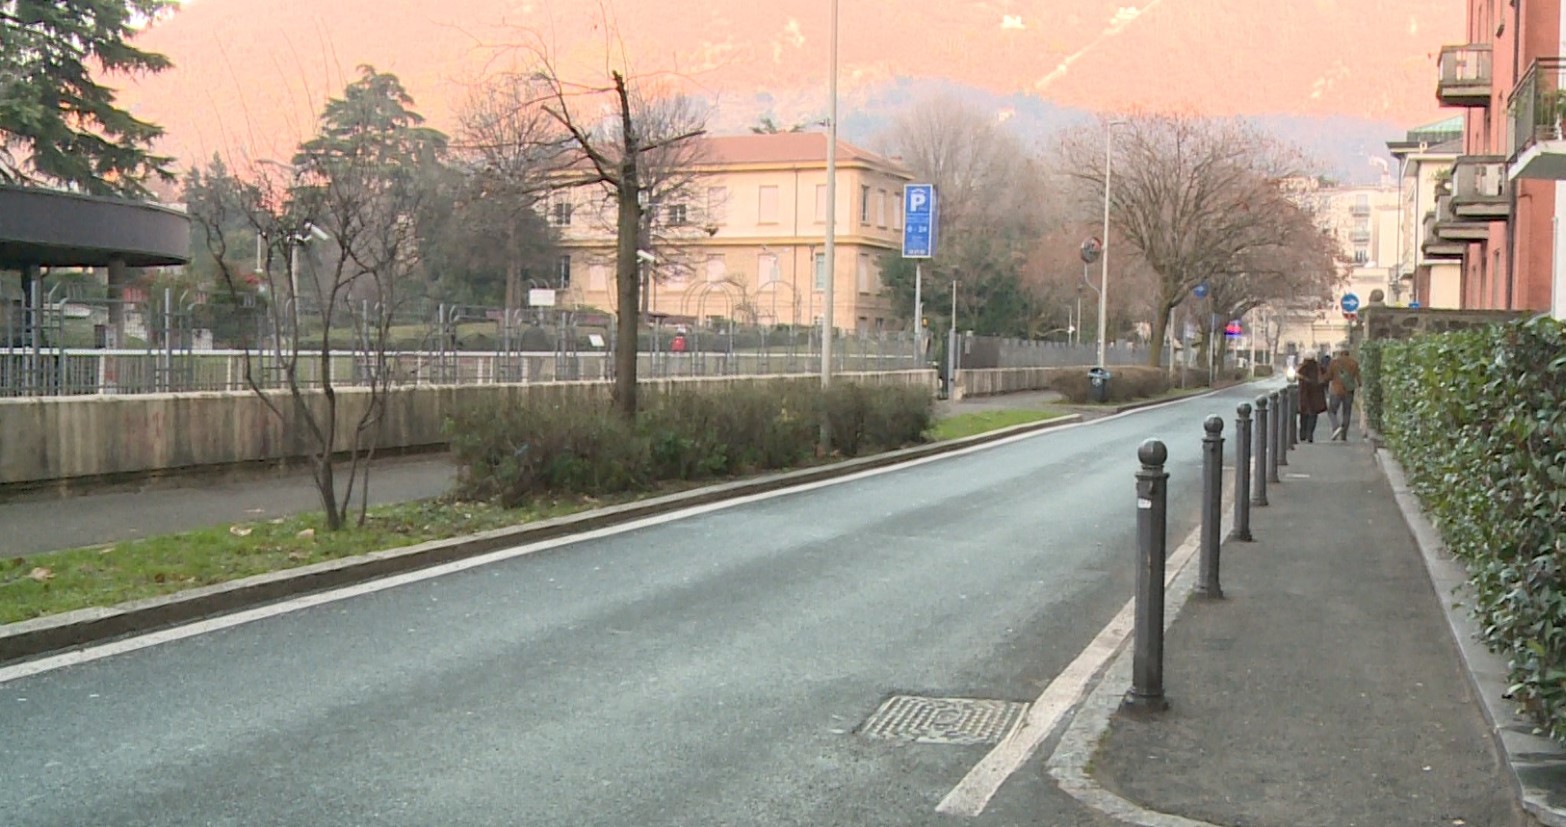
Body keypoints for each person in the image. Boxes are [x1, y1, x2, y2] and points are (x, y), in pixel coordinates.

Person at [1324, 348, 1362, 441]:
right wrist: (1359, 386)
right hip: (1349, 390)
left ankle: (1336, 427)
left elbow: (1328, 376)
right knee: (1347, 411)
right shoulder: (1354, 363)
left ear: (1340, 354)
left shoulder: (1334, 363)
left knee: (1332, 411)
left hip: (1336, 390)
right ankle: (1344, 435)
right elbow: (1359, 379)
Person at [1296, 356, 1328, 442]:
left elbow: (1297, 376)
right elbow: (1325, 379)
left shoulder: (1303, 367)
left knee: (1304, 414)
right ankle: (1310, 434)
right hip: (1316, 394)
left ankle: (1303, 434)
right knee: (1313, 415)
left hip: (1304, 394)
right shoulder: (1319, 367)